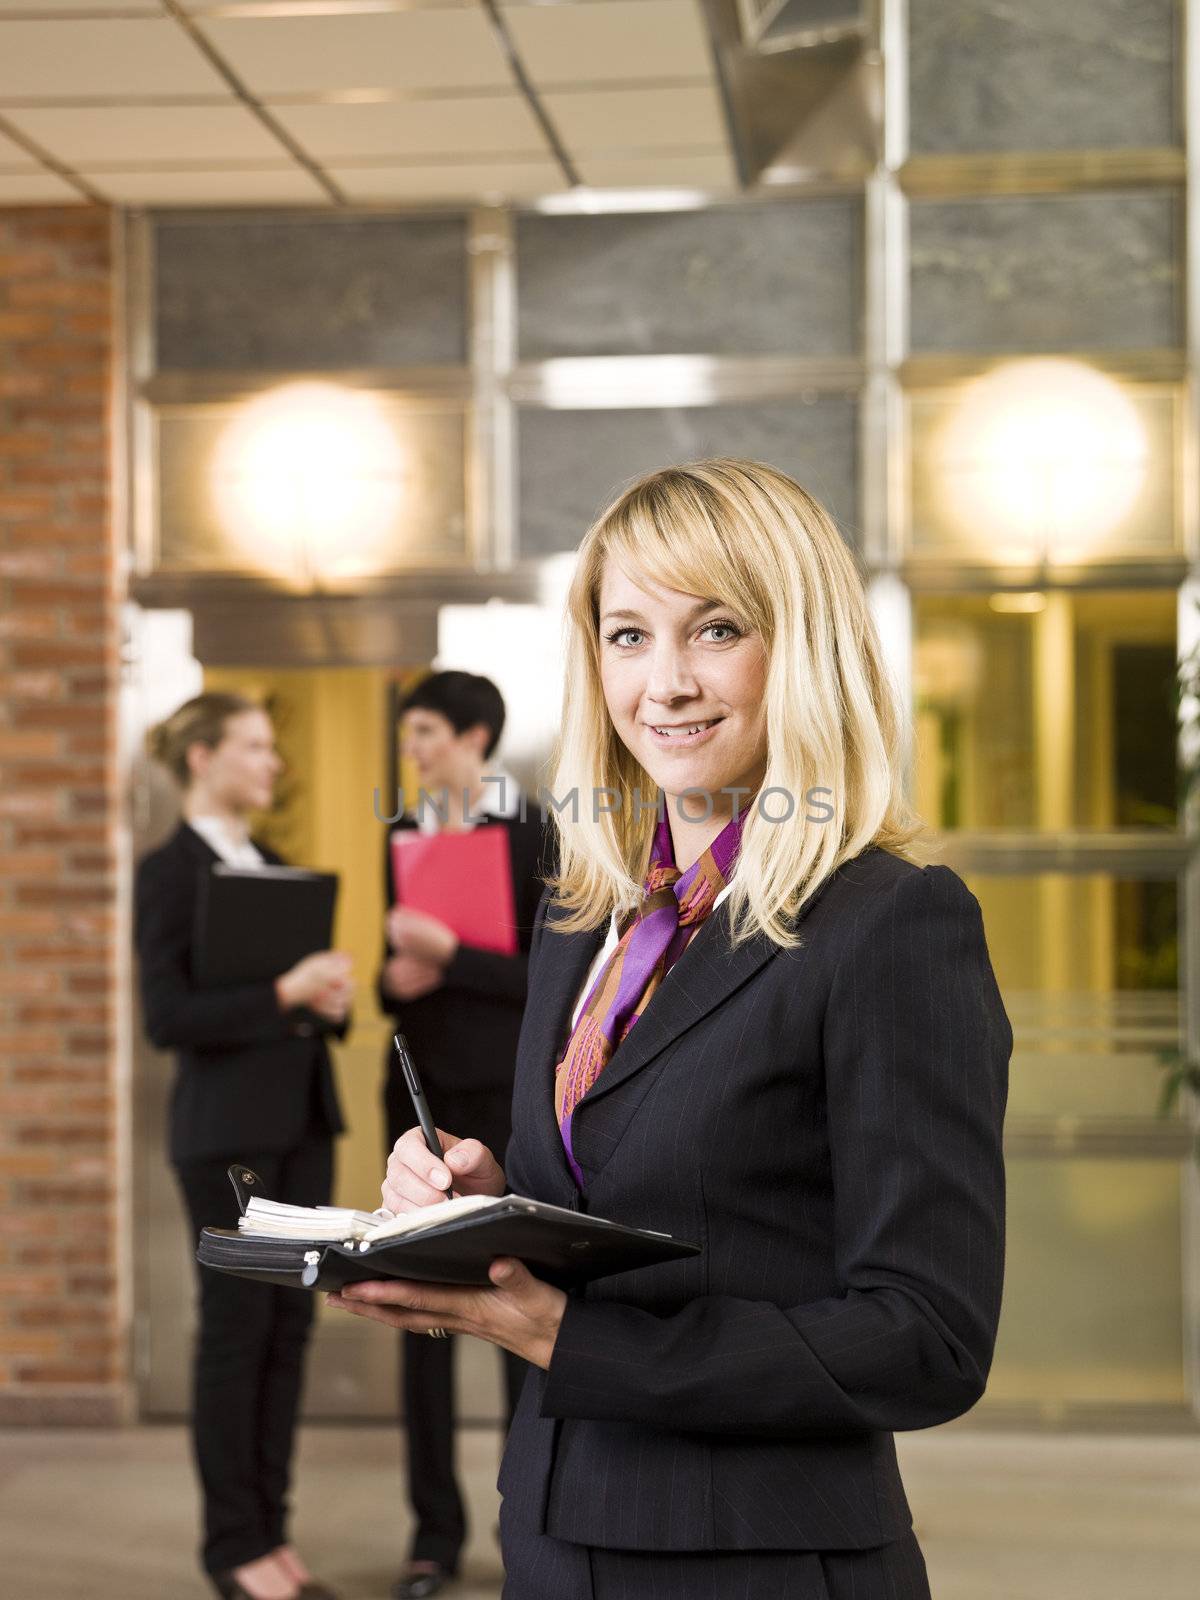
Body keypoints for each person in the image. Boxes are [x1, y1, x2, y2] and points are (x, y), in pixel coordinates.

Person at [332, 460, 1012, 1600]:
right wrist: (484, 1193)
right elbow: (631, 1194)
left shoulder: (892, 922)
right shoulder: (585, 913)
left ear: (802, 646)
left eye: (717, 629)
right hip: (551, 1533)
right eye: (629, 635)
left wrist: (568, 1340)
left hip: (759, 1559)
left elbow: (926, 1334)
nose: (666, 682)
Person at [135, 692, 354, 1600]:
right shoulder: (169, 870)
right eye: (256, 747)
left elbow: (294, 1007)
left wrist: (325, 1004)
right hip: (225, 1136)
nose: (273, 764)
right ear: (202, 758)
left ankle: (272, 1533)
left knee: (289, 1328)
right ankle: (233, 1548)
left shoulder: (268, 863)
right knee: (236, 1333)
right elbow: (167, 1018)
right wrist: (284, 993)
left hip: (301, 1122)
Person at [376, 671, 554, 1600]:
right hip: (414, 1099)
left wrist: (451, 958)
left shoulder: (536, 831)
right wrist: (395, 980)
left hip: (506, 1103)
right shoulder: (404, 833)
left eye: (429, 734)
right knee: (419, 1315)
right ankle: (432, 1536)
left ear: (477, 737)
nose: (415, 752)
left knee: (515, 1305)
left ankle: (527, 1518)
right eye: (409, 736)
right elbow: (388, 976)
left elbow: (547, 983)